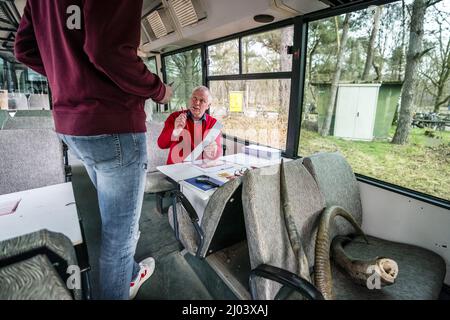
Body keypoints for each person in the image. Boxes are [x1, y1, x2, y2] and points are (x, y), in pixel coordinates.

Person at [14, 0, 173, 300]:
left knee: (116, 218)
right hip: (115, 126)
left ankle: (129, 271)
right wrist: (159, 89)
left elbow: (24, 49)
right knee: (119, 238)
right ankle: (120, 284)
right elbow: (106, 50)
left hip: (72, 127)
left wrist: (67, 75)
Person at [157, 86, 222, 164]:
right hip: (176, 169)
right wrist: (175, 130)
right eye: (194, 98)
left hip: (201, 169)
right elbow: (161, 144)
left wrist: (214, 150)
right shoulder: (175, 117)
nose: (197, 102)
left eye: (202, 100)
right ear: (190, 99)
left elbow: (218, 153)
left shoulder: (214, 123)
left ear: (208, 106)